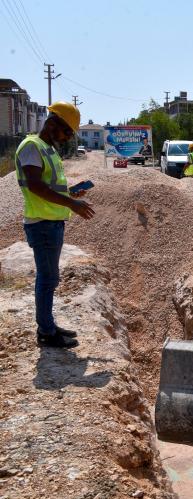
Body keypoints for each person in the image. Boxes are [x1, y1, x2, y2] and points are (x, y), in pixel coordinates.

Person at [15, 102, 96, 348]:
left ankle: (48, 325)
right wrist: (71, 204)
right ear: (52, 124)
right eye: (67, 132)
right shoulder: (32, 147)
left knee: (50, 278)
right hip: (42, 223)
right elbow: (35, 186)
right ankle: (46, 332)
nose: (67, 138)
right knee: (47, 279)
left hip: (52, 222)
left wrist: (71, 193)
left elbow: (50, 186)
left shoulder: (48, 149)